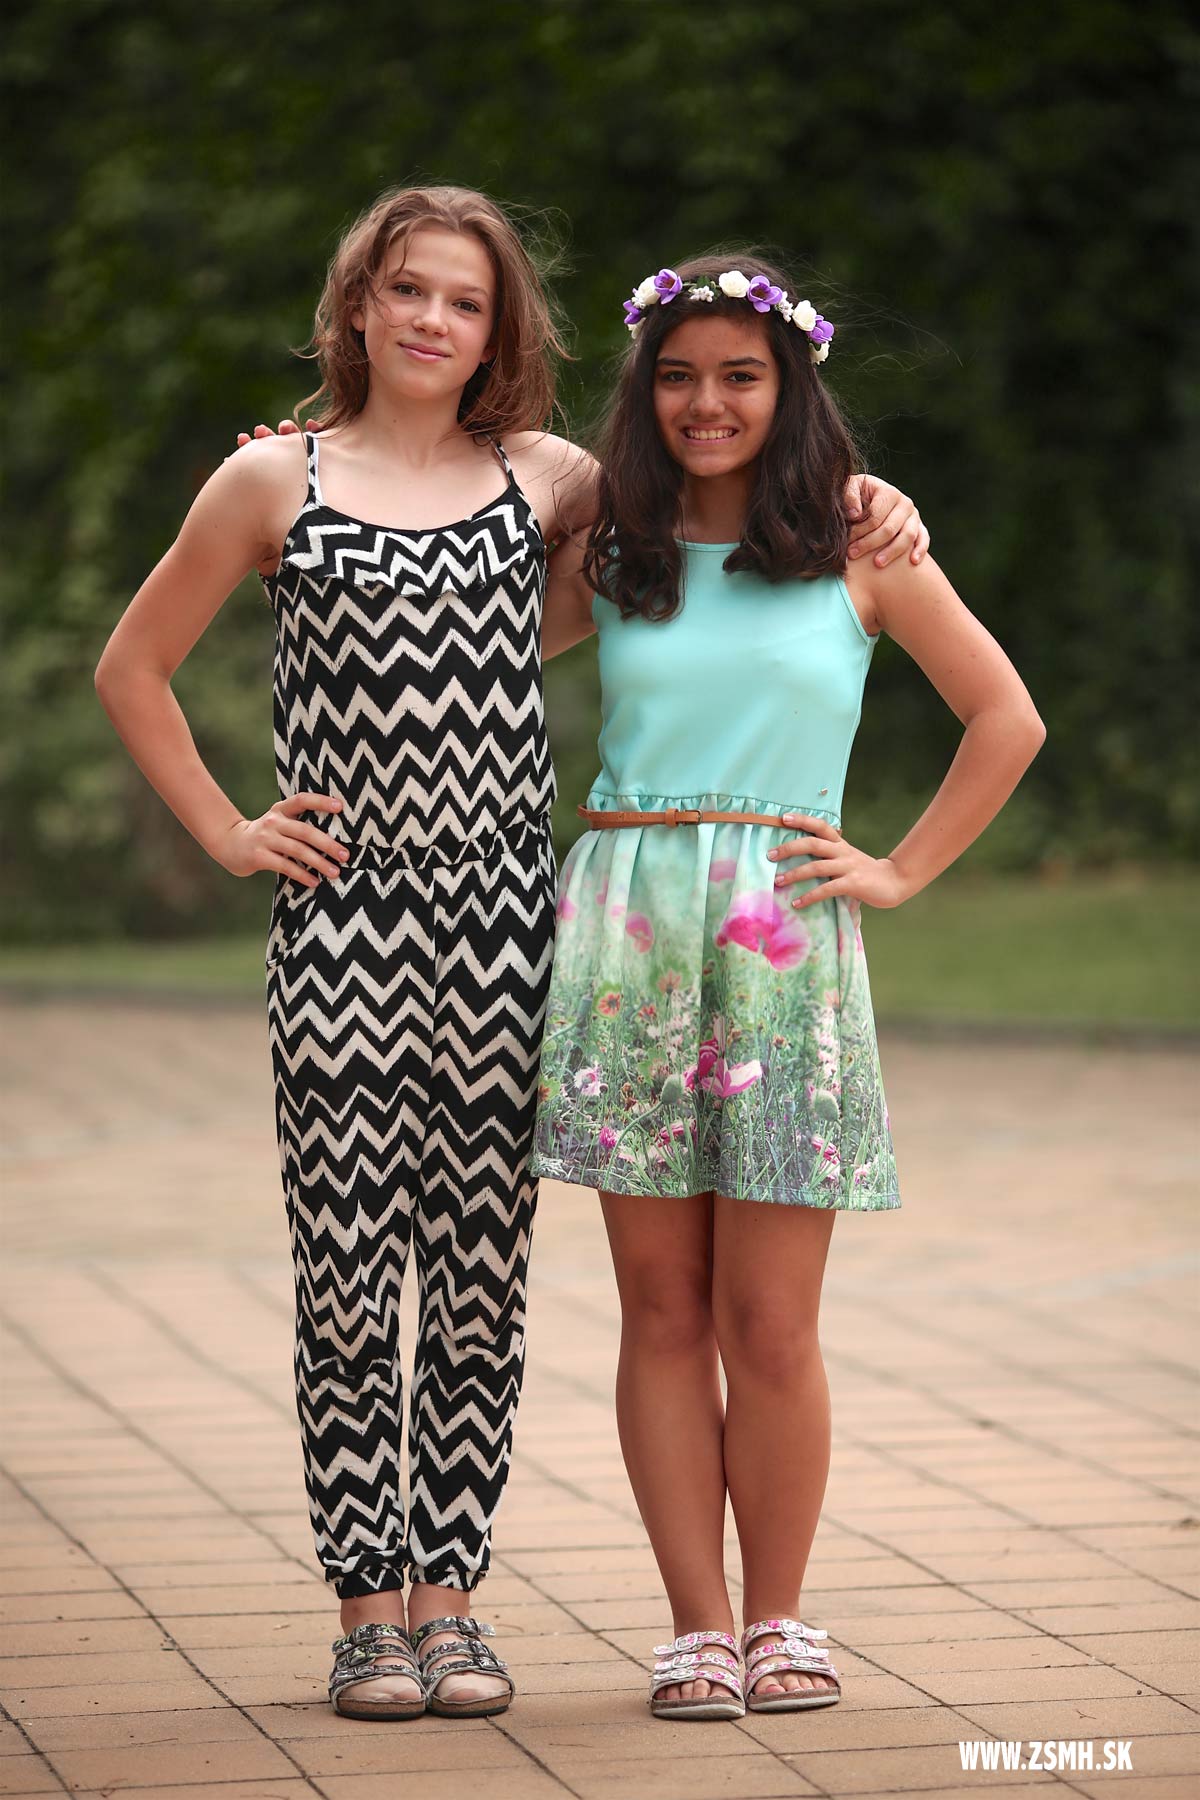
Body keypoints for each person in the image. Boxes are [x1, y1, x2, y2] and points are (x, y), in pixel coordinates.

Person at [96, 187, 927, 1724]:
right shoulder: (272, 480)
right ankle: (368, 1613)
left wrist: (871, 493)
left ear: (501, 331)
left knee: (481, 1279)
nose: (432, 319)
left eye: (465, 300)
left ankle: (454, 1606)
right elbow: (131, 663)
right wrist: (228, 829)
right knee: (352, 1275)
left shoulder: (552, 481)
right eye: (407, 289)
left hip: (509, 933)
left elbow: (728, 476)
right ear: (358, 302)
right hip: (345, 931)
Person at [532, 254, 1045, 1720]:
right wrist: (301, 484)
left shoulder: (860, 546)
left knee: (768, 1320)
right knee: (659, 1308)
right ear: (646, 391)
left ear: (789, 387)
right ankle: (694, 1627)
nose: (707, 402)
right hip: (630, 941)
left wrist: (899, 869)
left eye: (740, 376)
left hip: (780, 944)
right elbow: (449, 609)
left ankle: (780, 1619)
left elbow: (1006, 716)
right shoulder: (609, 549)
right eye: (678, 376)